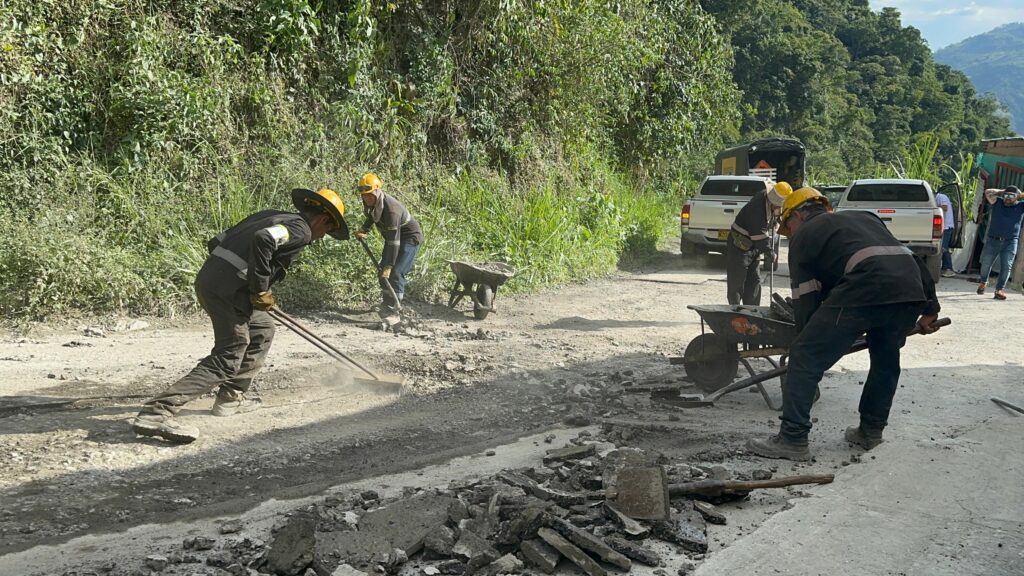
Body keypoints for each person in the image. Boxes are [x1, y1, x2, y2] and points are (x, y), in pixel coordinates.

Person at [131, 188, 350, 444]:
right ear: (323, 220)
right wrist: (260, 289)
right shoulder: (300, 230)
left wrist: (243, 283)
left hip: (214, 280)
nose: (322, 237)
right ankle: (157, 411)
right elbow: (264, 240)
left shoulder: (271, 215)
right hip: (228, 291)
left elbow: (217, 241)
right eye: (327, 231)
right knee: (229, 356)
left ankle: (230, 398)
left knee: (262, 328)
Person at [746, 187, 942, 461]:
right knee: (885, 359)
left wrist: (803, 342)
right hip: (909, 292)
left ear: (800, 215)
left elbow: (807, 298)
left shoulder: (804, 236)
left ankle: (792, 439)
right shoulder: (865, 218)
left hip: (865, 287)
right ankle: (870, 431)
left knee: (804, 357)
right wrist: (931, 309)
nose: (788, 232)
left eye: (787, 224)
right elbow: (909, 259)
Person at [354, 173, 423, 320]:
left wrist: (390, 265)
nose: (366, 198)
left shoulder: (392, 211)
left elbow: (394, 242)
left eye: (369, 195)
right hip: (393, 239)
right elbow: (373, 216)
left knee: (396, 272)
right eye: (364, 195)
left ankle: (395, 310)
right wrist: (364, 229)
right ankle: (387, 303)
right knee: (382, 269)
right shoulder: (376, 204)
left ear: (377, 192)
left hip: (408, 238)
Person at [725, 181, 791, 305]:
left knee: (754, 280)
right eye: (778, 206)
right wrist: (769, 252)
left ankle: (753, 310)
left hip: (753, 246)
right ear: (773, 201)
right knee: (737, 281)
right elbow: (759, 234)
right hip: (739, 245)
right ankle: (735, 310)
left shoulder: (771, 201)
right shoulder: (757, 207)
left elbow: (777, 218)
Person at [976, 185, 1024, 300]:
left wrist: (1020, 194)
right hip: (993, 240)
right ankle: (983, 282)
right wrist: (1004, 191)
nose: (1008, 198)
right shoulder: (997, 202)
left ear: (1017, 197)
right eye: (1006, 195)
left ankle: (999, 290)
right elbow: (987, 192)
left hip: (1011, 242)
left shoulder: (1021, 206)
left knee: (1007, 266)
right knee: (986, 264)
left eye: (1011, 196)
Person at [934, 190, 956, 277]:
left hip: (947, 226)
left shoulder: (941, 197)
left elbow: (945, 207)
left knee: (944, 248)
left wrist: (933, 205)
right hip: (943, 226)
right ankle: (944, 268)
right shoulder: (938, 198)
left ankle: (949, 269)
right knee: (942, 247)